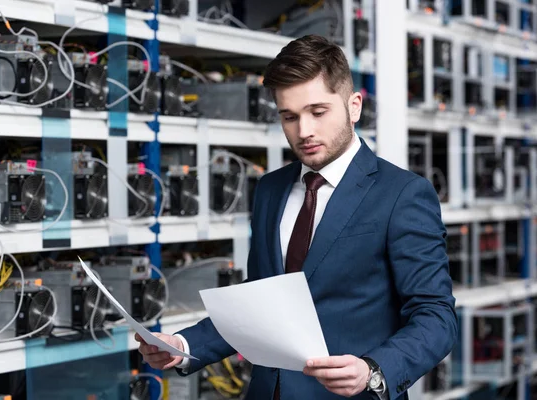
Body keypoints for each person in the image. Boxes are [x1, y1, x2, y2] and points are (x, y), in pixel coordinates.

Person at [136, 34, 457, 400]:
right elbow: (260, 310)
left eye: (318, 112)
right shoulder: (270, 190)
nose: (303, 131)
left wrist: (374, 370)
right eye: (289, 116)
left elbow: (436, 317)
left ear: (354, 106)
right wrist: (180, 344)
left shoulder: (402, 194)